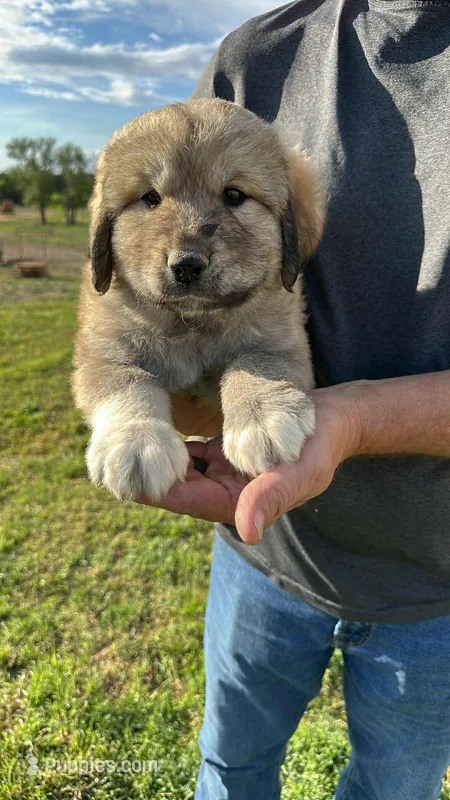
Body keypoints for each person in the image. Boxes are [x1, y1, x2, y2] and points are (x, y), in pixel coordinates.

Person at [138, 2, 450, 798]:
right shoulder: (256, 60)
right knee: (231, 767)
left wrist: (355, 420)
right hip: (265, 548)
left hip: (436, 589)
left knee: (392, 791)